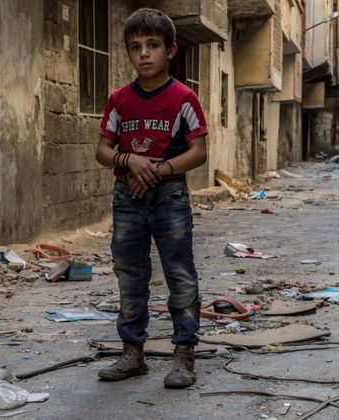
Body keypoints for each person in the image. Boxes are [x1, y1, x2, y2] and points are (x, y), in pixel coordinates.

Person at [94, 8, 207, 389]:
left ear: (170, 50)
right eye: (135, 47)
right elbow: (103, 149)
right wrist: (130, 161)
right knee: (129, 272)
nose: (144, 54)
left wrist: (155, 170)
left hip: (168, 195)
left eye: (153, 46)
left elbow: (198, 152)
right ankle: (132, 353)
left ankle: (184, 354)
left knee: (178, 271)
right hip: (127, 195)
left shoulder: (183, 97)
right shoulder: (119, 99)